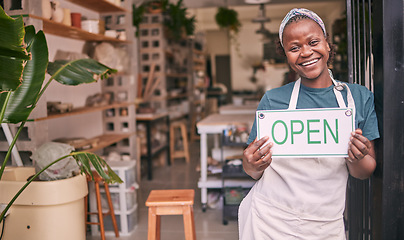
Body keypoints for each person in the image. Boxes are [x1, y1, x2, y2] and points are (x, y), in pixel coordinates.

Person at [238, 8, 379, 239]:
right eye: (294, 48)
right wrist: (250, 164)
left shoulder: (358, 98)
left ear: (327, 44)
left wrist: (358, 157)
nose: (306, 52)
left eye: (313, 41)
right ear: (286, 55)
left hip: (325, 225)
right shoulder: (273, 101)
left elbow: (363, 173)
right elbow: (253, 171)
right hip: (269, 221)